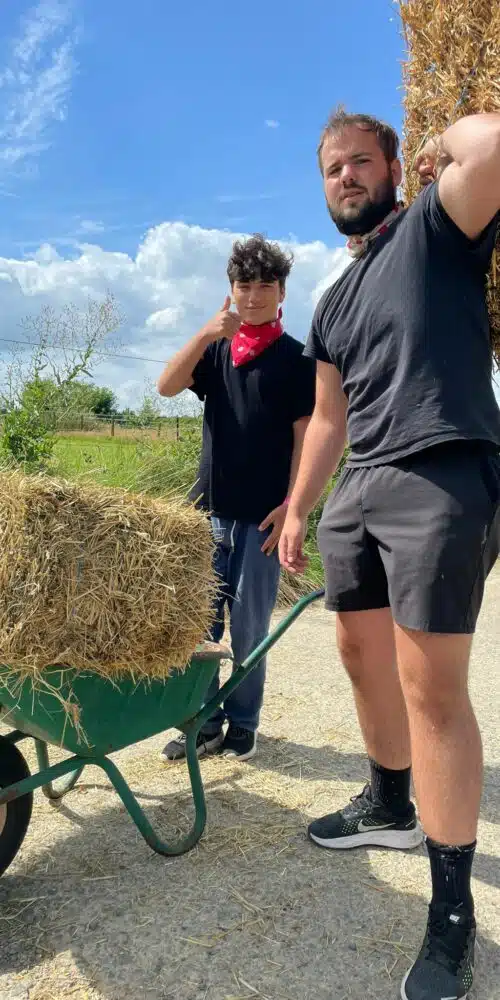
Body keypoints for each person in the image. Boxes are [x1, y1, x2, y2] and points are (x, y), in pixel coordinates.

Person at [279, 108, 500, 1000]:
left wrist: (443, 123)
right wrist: (299, 509)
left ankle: (451, 916)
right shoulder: (332, 302)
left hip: (438, 465)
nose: (346, 177)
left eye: (361, 161)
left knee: (429, 689)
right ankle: (389, 802)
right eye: (332, 167)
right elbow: (327, 419)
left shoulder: (438, 228)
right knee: (357, 654)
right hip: (359, 485)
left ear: (397, 165)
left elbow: (492, 144)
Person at [158, 234, 315, 762]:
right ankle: (202, 722)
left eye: (265, 285)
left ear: (282, 292)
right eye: (244, 285)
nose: (253, 295)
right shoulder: (218, 350)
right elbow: (166, 386)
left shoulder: (297, 359)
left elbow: (305, 437)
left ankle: (243, 723)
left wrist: (293, 505)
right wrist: (206, 332)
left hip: (263, 520)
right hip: (206, 515)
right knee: (198, 628)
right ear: (230, 290)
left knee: (249, 630)